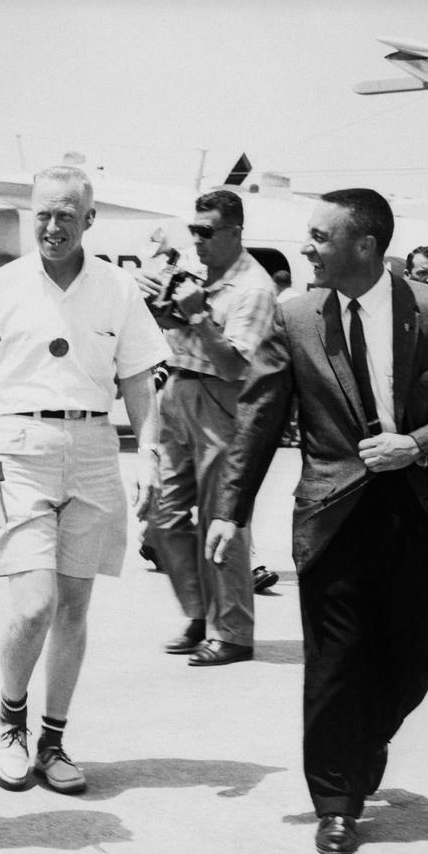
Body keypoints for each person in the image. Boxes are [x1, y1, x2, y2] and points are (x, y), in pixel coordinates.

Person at [206, 188, 428, 854]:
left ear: (364, 246)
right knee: (335, 664)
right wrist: (230, 510)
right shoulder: (296, 319)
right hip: (332, 513)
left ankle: (364, 741)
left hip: (417, 509)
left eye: (319, 236)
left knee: (416, 654)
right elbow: (257, 419)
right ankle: (336, 802)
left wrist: (420, 443)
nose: (305, 246)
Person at [0, 165, 169, 794]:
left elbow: (138, 379)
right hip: (21, 448)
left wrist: (152, 457)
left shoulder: (119, 289)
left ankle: (54, 741)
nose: (53, 226)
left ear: (89, 220)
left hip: (93, 448)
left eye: (66, 215)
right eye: (43, 215)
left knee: (75, 608)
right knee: (34, 606)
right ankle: (10, 723)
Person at [139, 190, 277, 665]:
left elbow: (237, 364)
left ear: (236, 233)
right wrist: (158, 305)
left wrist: (197, 313)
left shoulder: (254, 288)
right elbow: (173, 328)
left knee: (223, 518)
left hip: (222, 397)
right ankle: (201, 613)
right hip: (178, 387)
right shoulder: (198, 273)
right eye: (193, 229)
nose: (196, 240)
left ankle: (233, 631)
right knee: (164, 515)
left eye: (207, 231)